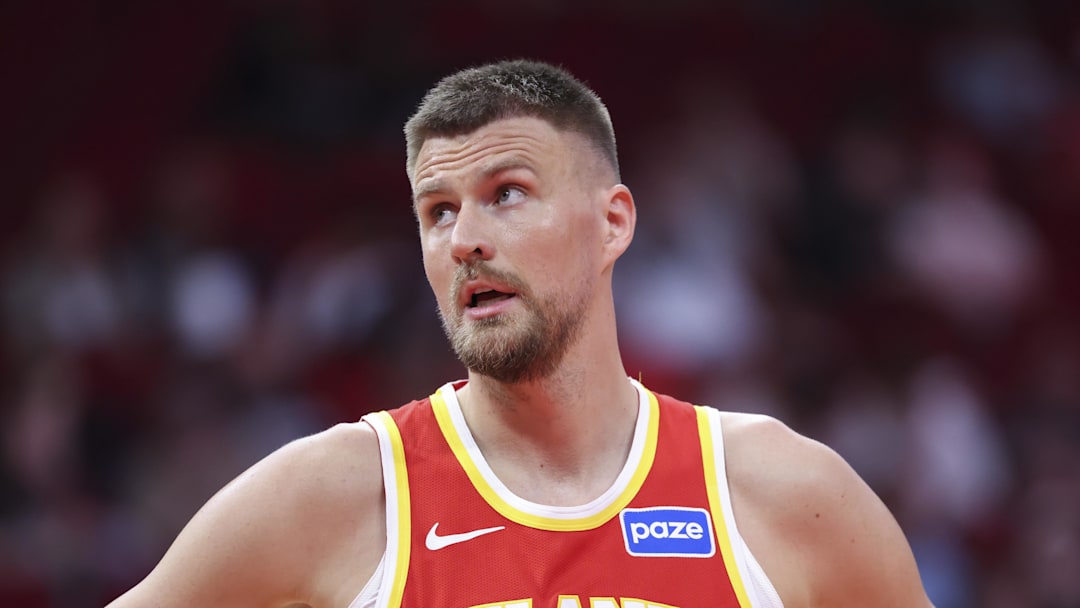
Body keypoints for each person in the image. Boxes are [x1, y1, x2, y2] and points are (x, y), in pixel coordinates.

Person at [106, 59, 933, 608]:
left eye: (506, 193)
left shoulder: (785, 495)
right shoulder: (336, 494)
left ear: (612, 224)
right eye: (437, 212)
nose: (463, 237)